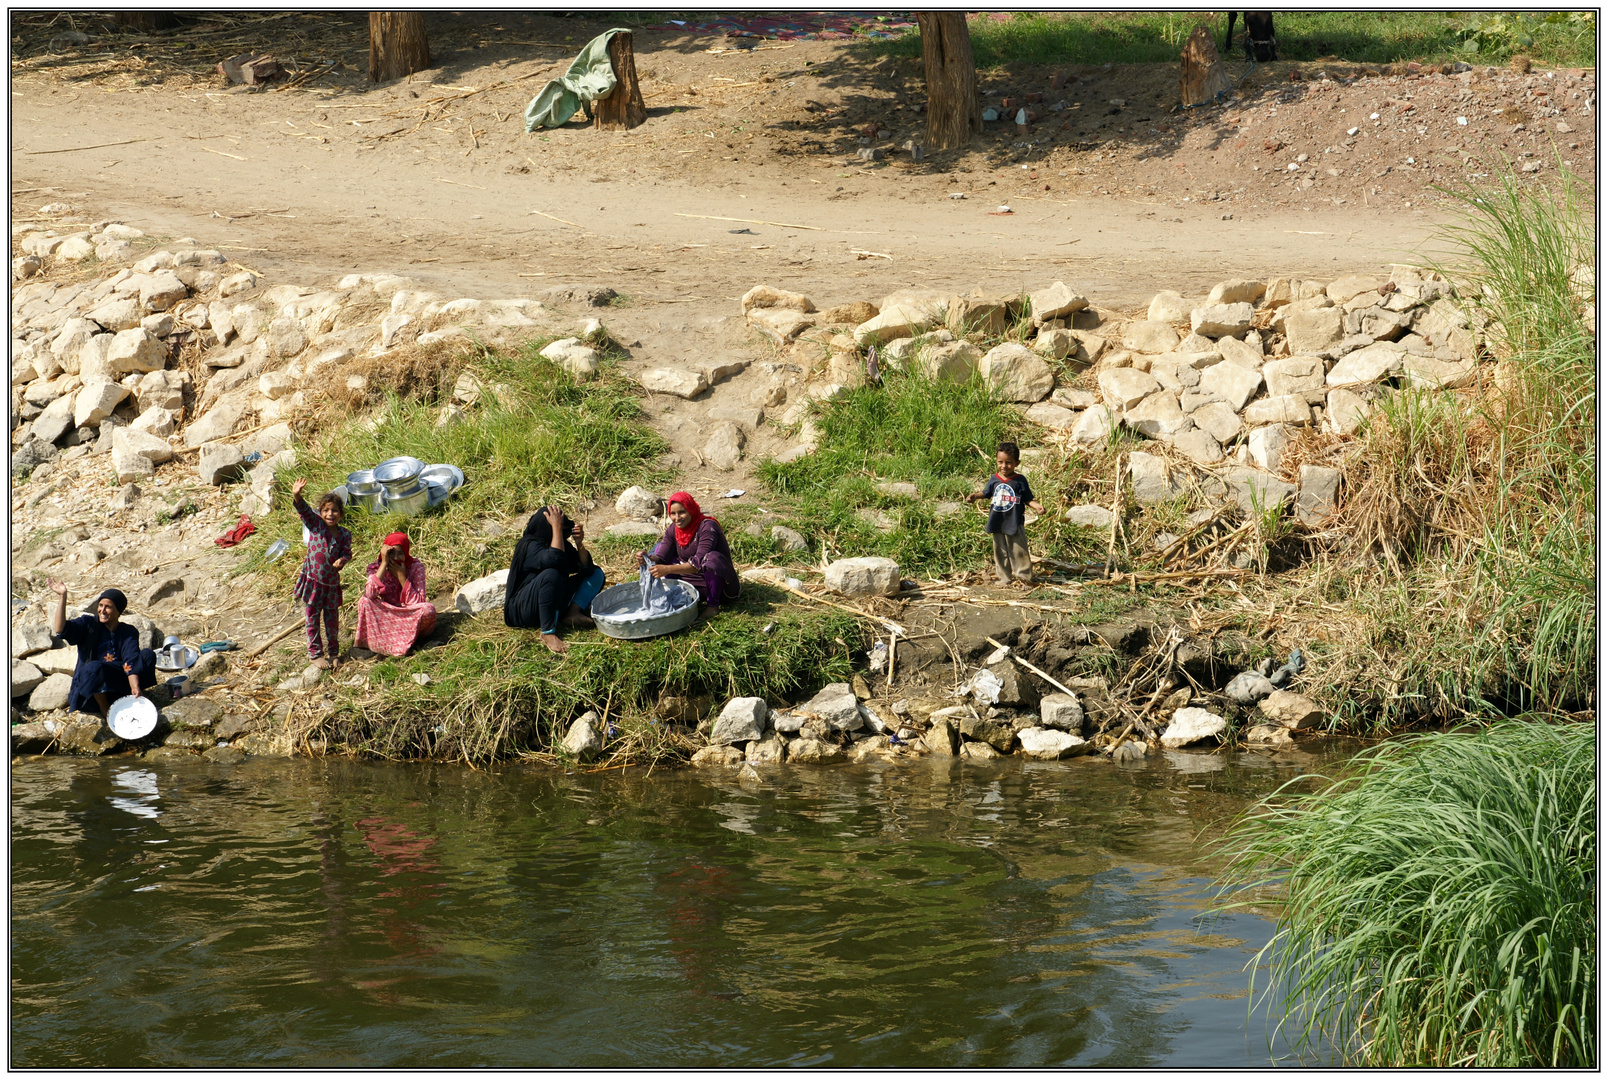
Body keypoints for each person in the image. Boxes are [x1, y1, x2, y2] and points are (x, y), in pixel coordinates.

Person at [504, 505, 606, 655]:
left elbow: (586, 568)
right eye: (556, 525)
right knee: (552, 574)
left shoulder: (560, 544)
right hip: (521, 610)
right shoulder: (529, 545)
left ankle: (571, 613)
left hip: (549, 599)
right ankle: (547, 632)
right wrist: (556, 527)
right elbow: (555, 559)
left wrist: (579, 544)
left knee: (596, 574)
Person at [48, 579, 157, 717]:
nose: (102, 610)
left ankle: (133, 695)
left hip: (117, 682)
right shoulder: (88, 625)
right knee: (94, 667)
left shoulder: (128, 631)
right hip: (92, 692)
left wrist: (135, 686)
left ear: (118, 611)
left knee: (147, 655)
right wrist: (63, 596)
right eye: (100, 605)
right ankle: (105, 708)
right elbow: (60, 629)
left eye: (108, 607)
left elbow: (131, 659)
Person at [638, 491, 739, 619]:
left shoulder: (707, 527)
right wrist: (647, 559)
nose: (677, 518)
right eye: (673, 514)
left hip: (718, 587)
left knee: (711, 559)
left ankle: (713, 605)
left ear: (691, 510)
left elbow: (697, 564)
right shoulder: (674, 529)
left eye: (682, 512)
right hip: (689, 584)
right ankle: (683, 594)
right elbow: (661, 557)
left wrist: (667, 569)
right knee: (659, 548)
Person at [964, 441, 1045, 587]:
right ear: (996, 461)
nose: (1004, 466)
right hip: (997, 521)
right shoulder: (995, 479)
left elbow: (1028, 499)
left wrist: (1037, 506)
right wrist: (975, 496)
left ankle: (1024, 577)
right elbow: (987, 493)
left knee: (1019, 551)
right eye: (1000, 462)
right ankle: (1004, 577)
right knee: (1000, 551)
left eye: (1008, 463)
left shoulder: (1020, 480)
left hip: (1015, 521)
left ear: (1017, 463)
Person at [291, 478, 352, 669]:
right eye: (325, 510)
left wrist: (342, 560)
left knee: (332, 621)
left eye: (334, 510)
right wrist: (297, 495)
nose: (330, 514)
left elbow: (346, 553)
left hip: (332, 585)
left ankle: (334, 653)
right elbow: (304, 510)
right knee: (312, 618)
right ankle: (315, 654)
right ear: (320, 512)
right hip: (313, 583)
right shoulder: (316, 526)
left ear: (341, 514)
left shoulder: (344, 534)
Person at [353, 532, 438, 657]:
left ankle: (397, 642)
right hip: (388, 617)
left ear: (406, 553)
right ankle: (391, 643)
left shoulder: (416, 567)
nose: (396, 557)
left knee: (428, 610)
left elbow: (419, 602)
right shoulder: (376, 568)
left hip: (408, 616)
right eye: (391, 553)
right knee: (364, 601)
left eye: (400, 553)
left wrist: (402, 577)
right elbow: (370, 593)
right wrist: (383, 564)